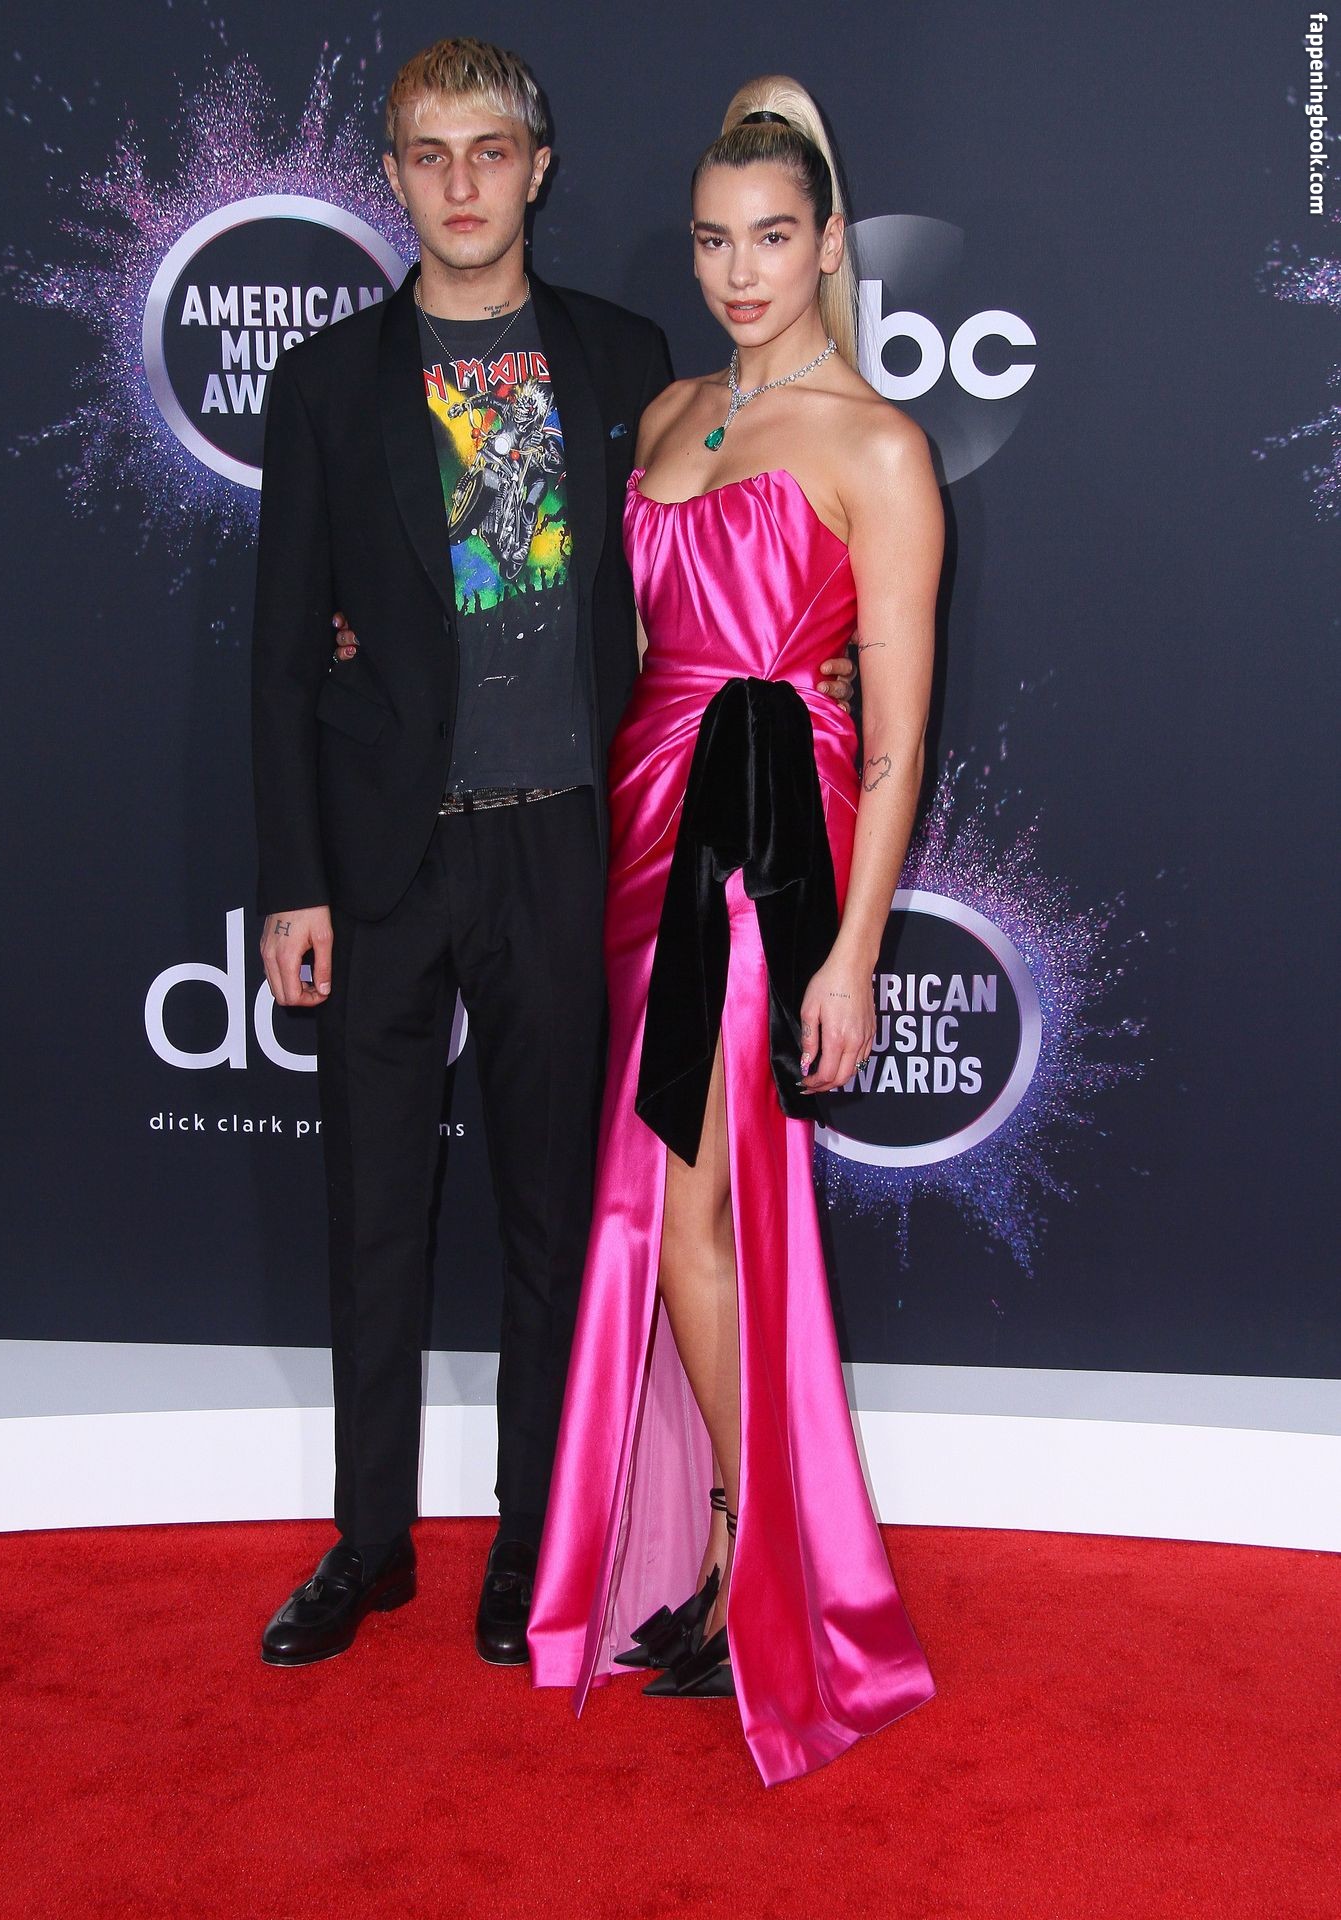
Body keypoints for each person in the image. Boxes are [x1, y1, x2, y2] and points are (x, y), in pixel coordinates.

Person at [250, 40, 854, 1671]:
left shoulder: (624, 360)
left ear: (538, 165)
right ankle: (367, 1543)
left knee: (552, 1220)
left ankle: (534, 1543)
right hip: (384, 859)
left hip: (571, 851)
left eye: (489, 149)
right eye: (428, 152)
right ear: (393, 175)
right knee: (373, 1213)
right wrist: (293, 881)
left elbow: (712, 571)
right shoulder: (325, 384)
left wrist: (813, 676)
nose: (460, 181)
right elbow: (279, 657)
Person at [526, 78, 941, 1784]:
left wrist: (852, 950)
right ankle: (724, 1545)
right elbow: (628, 640)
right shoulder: (669, 414)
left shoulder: (878, 448)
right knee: (665, 1201)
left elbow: (899, 735)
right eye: (713, 241)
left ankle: (767, 1558)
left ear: (828, 244)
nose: (739, 271)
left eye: (772, 236)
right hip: (643, 826)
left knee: (693, 1201)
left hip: (767, 846)